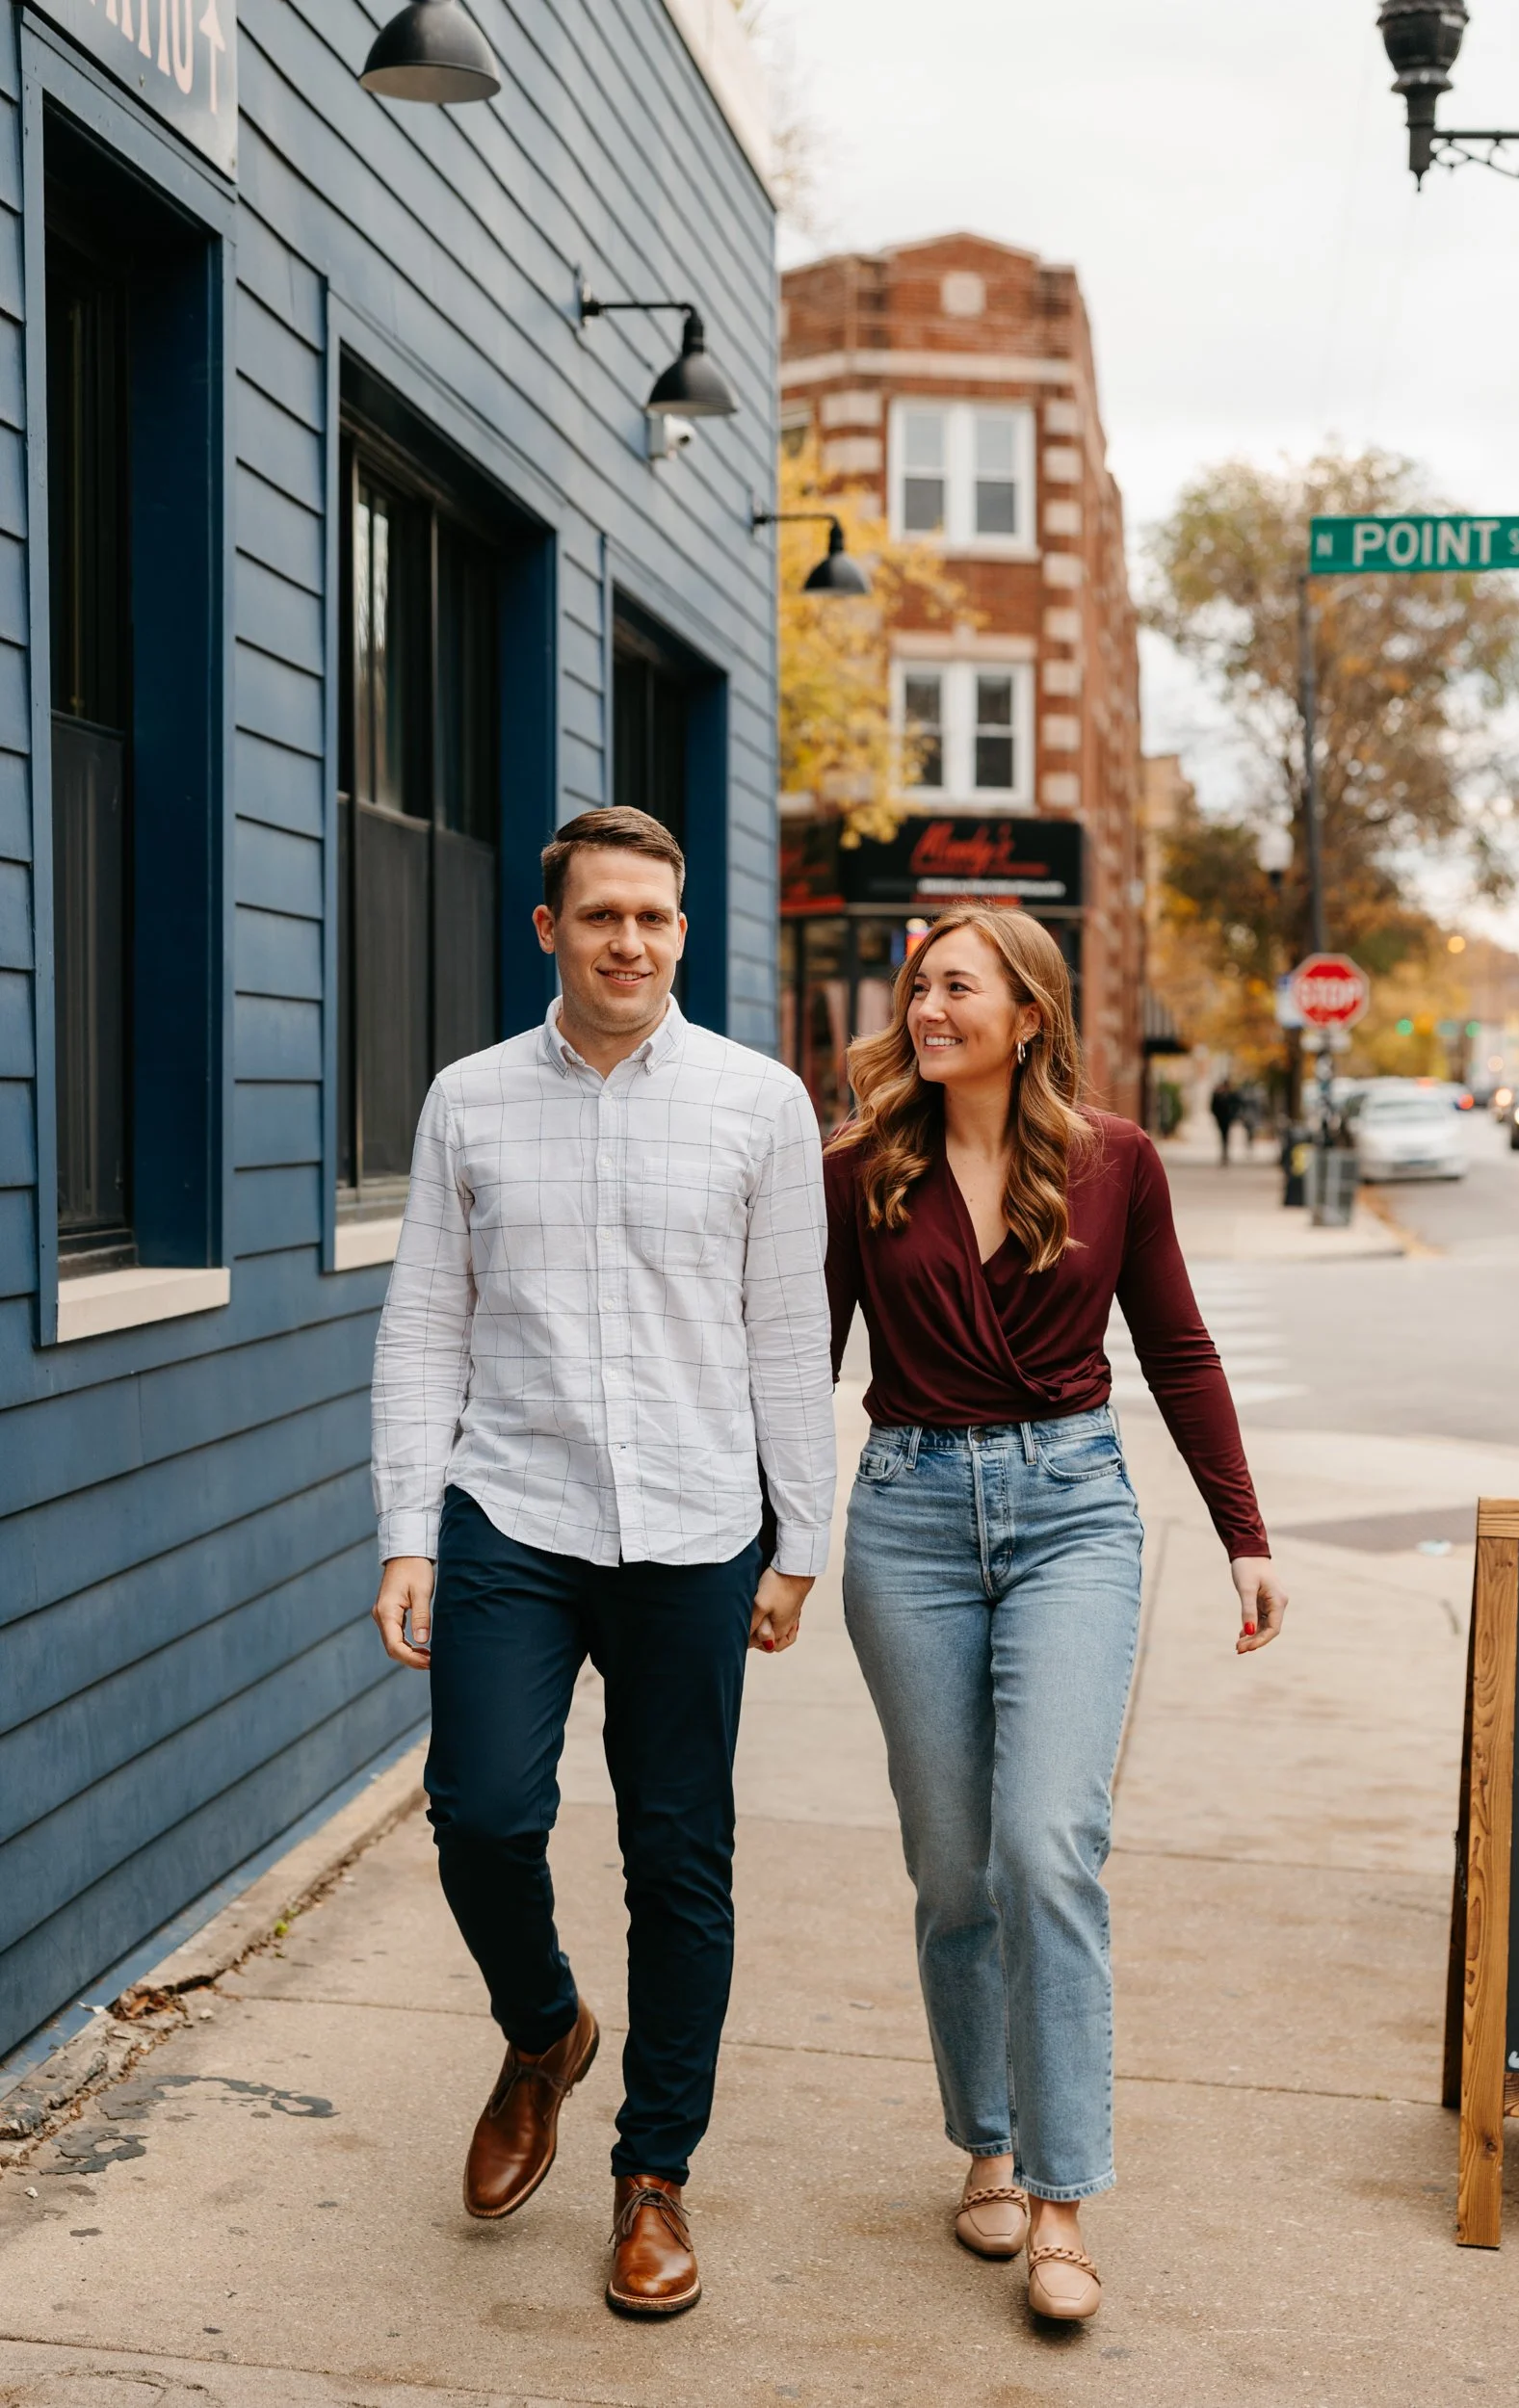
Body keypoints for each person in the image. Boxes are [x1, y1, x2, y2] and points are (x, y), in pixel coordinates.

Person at [370, 806, 835, 2319]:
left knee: (676, 1854)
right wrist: (404, 1530)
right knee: (481, 1816)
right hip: (510, 1510)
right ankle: (544, 2025)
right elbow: (425, 1322)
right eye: (599, 918)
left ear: (681, 933)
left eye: (653, 917)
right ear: (548, 932)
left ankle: (653, 2176)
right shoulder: (468, 1102)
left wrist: (797, 1539)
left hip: (698, 1526)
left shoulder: (758, 1105)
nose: (627, 942)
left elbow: (787, 1335)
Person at [825, 907, 1286, 2324]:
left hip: (1072, 1513)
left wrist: (1240, 1534)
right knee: (955, 1871)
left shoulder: (1114, 1164)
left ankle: (1063, 2200)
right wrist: (766, 1551)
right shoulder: (858, 1172)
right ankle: (986, 2145)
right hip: (901, 1515)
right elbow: (791, 1366)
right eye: (916, 986)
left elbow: (1178, 1346)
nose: (925, 1007)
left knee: (1046, 1847)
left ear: (1028, 1014)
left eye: (954, 986)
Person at [1209, 1078, 1240, 1165]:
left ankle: (1225, 1153)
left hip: (1228, 1119)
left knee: (1226, 1136)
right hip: (1220, 1119)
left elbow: (1236, 1106)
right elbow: (1213, 1107)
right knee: (1223, 1136)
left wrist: (1233, 1116)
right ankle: (1224, 1153)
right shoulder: (1217, 1095)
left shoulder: (1231, 1095)